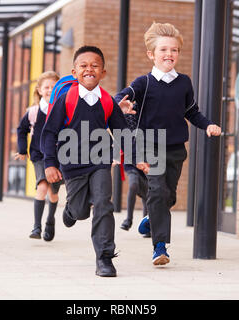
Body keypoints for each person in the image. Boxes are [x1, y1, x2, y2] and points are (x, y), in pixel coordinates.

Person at [115, 22, 221, 266]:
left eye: (174, 50)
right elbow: (121, 96)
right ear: (152, 54)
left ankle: (152, 219)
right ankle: (160, 247)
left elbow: (192, 111)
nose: (169, 54)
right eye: (163, 50)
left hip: (175, 148)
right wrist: (121, 103)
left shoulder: (184, 82)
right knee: (158, 192)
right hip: (150, 146)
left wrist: (207, 125)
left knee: (169, 196)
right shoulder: (144, 83)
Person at [41, 45, 149, 277]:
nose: (89, 69)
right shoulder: (65, 98)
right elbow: (49, 132)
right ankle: (71, 210)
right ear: (74, 71)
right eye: (83, 65)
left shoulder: (107, 101)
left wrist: (136, 157)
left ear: (103, 72)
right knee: (80, 211)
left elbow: (122, 133)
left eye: (95, 66)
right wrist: (50, 163)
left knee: (103, 203)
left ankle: (104, 258)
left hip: (100, 161)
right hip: (71, 164)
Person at [15, 71, 62, 241]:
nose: (50, 90)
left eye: (54, 87)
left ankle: (50, 220)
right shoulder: (33, 112)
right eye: (46, 87)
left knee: (53, 193)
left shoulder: (62, 109)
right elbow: (21, 130)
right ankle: (37, 226)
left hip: (58, 156)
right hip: (39, 155)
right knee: (42, 186)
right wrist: (22, 149)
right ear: (40, 90)